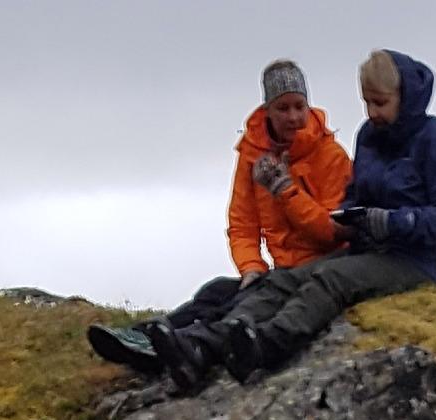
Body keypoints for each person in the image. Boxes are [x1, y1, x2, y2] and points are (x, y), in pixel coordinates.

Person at [148, 48, 436, 385]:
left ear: (405, 96)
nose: (372, 112)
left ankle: (266, 345)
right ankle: (203, 346)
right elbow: (355, 193)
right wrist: (350, 215)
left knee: (332, 279)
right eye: (367, 103)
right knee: (283, 281)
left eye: (381, 103)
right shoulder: (369, 136)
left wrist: (393, 222)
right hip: (368, 249)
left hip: (417, 260)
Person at [88, 59, 352, 373]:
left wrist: (285, 191)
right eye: (283, 108)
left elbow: (331, 232)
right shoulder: (253, 155)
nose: (293, 117)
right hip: (280, 269)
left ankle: (180, 345)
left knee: (239, 304)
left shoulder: (331, 156)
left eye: (299, 106)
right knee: (216, 291)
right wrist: (251, 267)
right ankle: (145, 337)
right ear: (267, 109)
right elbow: (242, 223)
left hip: (319, 266)